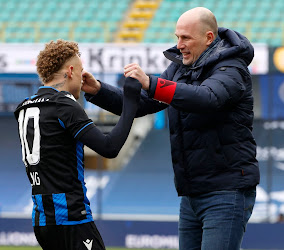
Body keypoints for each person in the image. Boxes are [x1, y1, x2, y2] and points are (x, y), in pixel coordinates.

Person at [83, 7, 260, 250]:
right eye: (177, 37)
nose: (179, 45)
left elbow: (208, 97)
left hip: (226, 191)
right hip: (191, 194)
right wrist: (97, 90)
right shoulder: (180, 68)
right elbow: (142, 104)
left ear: (209, 38)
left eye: (186, 38)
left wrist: (152, 83)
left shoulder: (232, 67)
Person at [14, 39, 142, 250]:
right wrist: (130, 102)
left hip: (42, 221)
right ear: (71, 71)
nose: (83, 81)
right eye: (81, 72)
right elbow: (109, 147)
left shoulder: (24, 107)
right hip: (71, 218)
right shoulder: (63, 103)